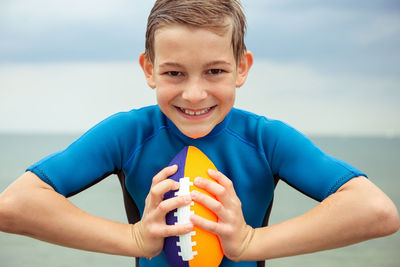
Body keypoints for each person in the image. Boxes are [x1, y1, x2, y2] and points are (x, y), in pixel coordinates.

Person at [0, 0, 399, 266]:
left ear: (242, 67)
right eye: (174, 72)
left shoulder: (265, 139)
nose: (194, 94)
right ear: (148, 68)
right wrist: (135, 239)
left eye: (215, 71)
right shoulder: (128, 133)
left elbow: (377, 212)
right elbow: (14, 206)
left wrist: (250, 243)